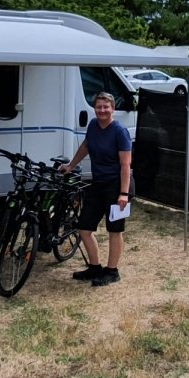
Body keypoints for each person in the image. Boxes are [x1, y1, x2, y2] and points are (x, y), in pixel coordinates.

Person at [62, 91, 132, 286]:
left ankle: (112, 271)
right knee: (84, 227)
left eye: (106, 107)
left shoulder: (119, 131)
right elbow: (86, 146)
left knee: (114, 230)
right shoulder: (93, 125)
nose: (102, 110)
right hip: (98, 184)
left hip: (118, 186)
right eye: (99, 107)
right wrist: (71, 165)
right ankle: (95, 268)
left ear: (113, 109)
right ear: (94, 108)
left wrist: (123, 193)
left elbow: (126, 165)